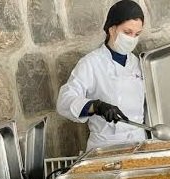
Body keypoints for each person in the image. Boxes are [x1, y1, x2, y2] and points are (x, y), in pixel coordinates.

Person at [57, 0, 145, 151]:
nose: (132, 39)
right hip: (106, 147)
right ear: (112, 29)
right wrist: (96, 107)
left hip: (139, 144)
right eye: (127, 32)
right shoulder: (91, 63)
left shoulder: (137, 62)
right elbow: (64, 101)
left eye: (137, 34)